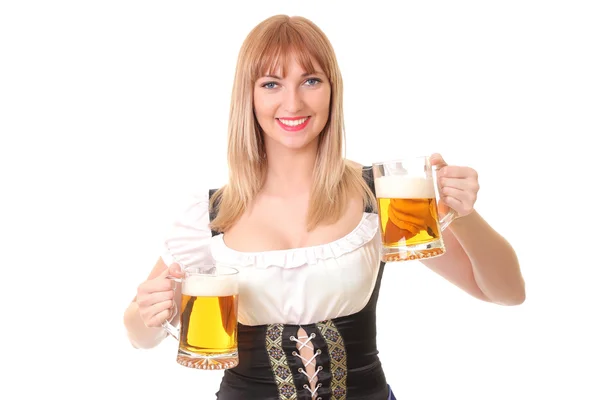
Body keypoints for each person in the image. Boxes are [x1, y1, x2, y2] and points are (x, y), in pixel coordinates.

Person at [123, 14, 526, 400]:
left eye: (310, 80)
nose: (293, 102)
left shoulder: (377, 194)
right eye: (271, 84)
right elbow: (139, 335)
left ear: (333, 89)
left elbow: (506, 292)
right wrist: (149, 311)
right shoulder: (210, 215)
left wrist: (463, 214)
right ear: (247, 95)